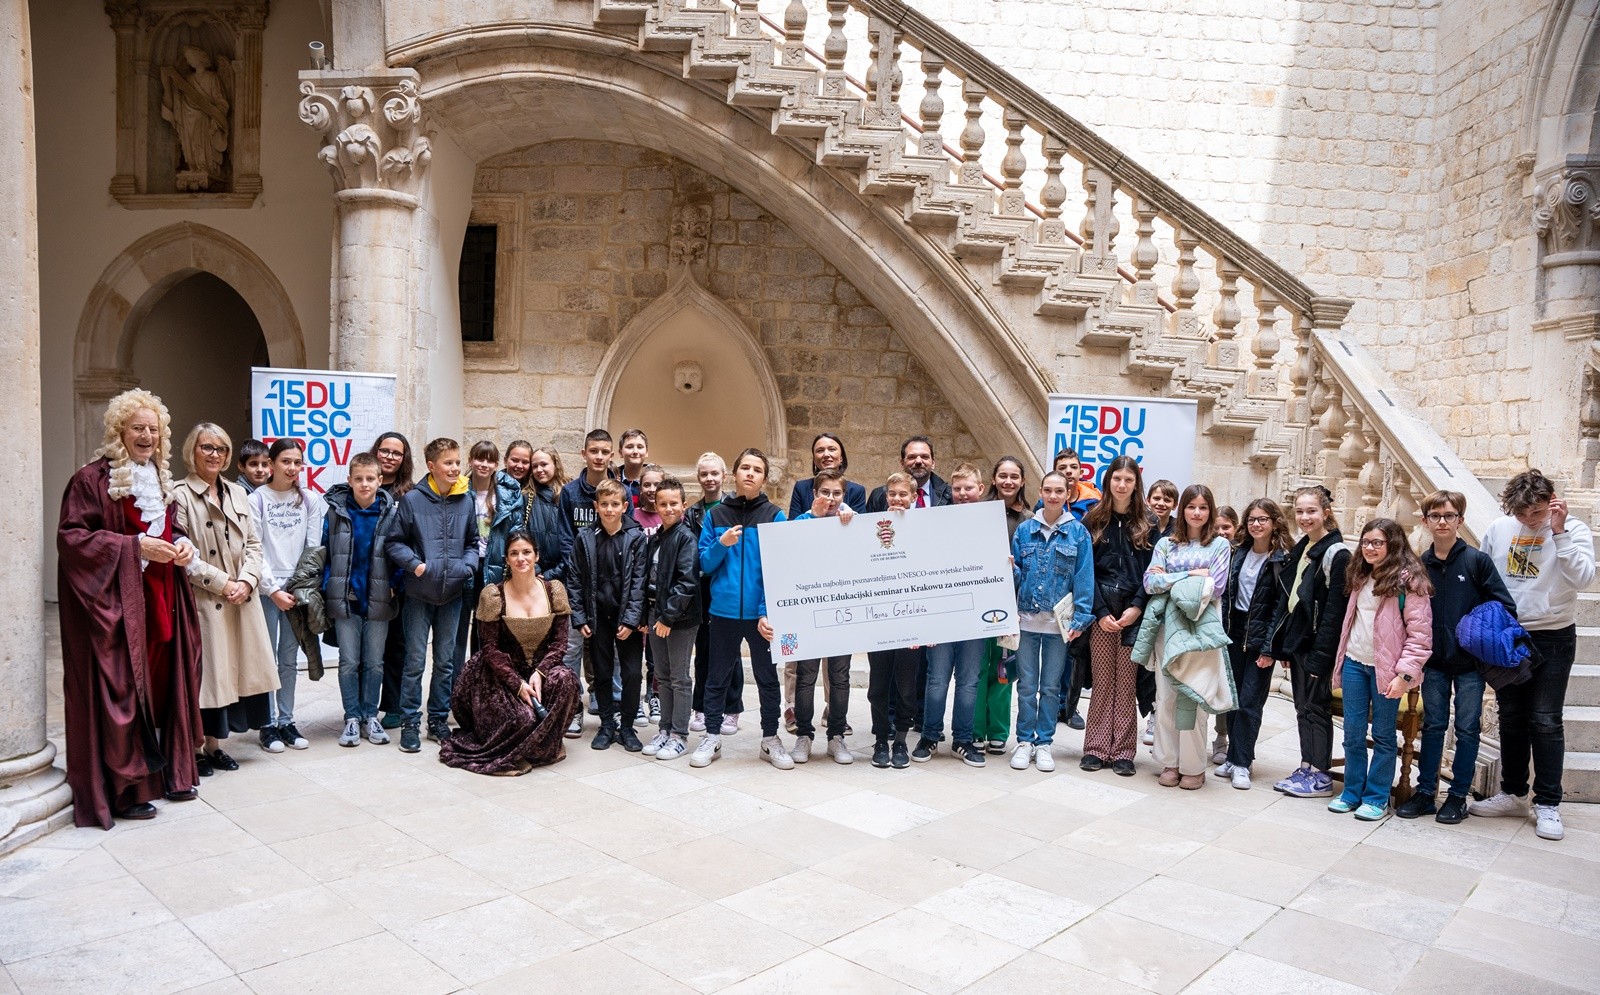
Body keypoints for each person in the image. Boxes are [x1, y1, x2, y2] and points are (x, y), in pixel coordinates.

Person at [57, 389, 203, 826]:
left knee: (161, 686)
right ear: (119, 430)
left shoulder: (158, 478)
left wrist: (180, 544)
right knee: (123, 688)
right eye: (138, 427)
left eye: (154, 430)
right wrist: (136, 548)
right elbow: (73, 540)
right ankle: (125, 788)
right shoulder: (91, 480)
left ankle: (169, 773)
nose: (146, 436)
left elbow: (168, 526)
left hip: (161, 599)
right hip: (117, 606)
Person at [1472, 470, 1596, 841]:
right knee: (1510, 716)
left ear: (1552, 501)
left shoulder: (1573, 530)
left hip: (1554, 635)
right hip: (1508, 635)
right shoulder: (1498, 528)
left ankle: (1548, 803)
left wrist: (1557, 532)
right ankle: (1512, 792)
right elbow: (1484, 574)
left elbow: (1583, 578)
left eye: (1537, 512)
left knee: (1545, 719)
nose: (1529, 520)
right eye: (1522, 513)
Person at [1397, 490, 1515, 823]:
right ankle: (1425, 793)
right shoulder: (1421, 564)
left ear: (1460, 520)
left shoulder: (1476, 561)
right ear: (1425, 521)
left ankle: (1458, 796)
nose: (1443, 522)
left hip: (1469, 666)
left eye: (1449, 516)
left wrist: (1474, 630)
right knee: (1433, 727)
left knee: (1465, 729)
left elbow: (1504, 606)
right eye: (1435, 516)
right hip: (1433, 663)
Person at [173, 423, 277, 777]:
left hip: (241, 600)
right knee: (209, 676)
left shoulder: (238, 493)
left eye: (220, 449)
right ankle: (197, 748)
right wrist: (223, 584)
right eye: (206, 447)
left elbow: (254, 544)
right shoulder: (179, 494)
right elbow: (181, 553)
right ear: (192, 452)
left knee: (234, 675)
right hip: (207, 600)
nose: (214, 454)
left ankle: (217, 746)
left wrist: (247, 581)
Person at [439, 532, 582, 774]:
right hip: (498, 672)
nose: (521, 559)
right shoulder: (493, 594)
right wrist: (517, 683)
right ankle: (514, 751)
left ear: (537, 556)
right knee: (523, 719)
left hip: (539, 667)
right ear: (506, 559)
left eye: (526, 552)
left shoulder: (554, 590)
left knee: (567, 680)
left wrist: (540, 672)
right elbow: (490, 649)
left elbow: (559, 643)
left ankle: (540, 749)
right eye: (514, 553)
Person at [1328, 518, 1433, 821]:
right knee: (1352, 733)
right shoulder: (1360, 574)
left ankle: (1376, 797)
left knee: (1385, 736)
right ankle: (1352, 792)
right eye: (1365, 542)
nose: (1370, 548)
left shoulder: (1409, 581)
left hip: (1388, 672)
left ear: (1393, 545)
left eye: (1377, 542)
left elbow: (1421, 637)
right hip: (1354, 664)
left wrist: (1404, 676)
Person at [693, 448, 788, 768]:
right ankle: (712, 736)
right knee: (716, 677)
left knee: (766, 678)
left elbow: (779, 571)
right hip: (723, 612)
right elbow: (704, 564)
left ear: (763, 478)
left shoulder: (775, 516)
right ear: (734, 474)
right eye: (744, 467)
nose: (750, 473)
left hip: (760, 617)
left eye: (757, 469)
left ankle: (770, 737)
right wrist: (722, 545)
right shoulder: (715, 515)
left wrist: (765, 611)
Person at [388, 437, 479, 752]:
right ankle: (410, 722)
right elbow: (394, 542)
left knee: (445, 662)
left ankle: (438, 720)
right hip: (419, 594)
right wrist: (415, 566)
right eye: (448, 463)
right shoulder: (413, 500)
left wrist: (466, 567)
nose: (455, 468)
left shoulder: (466, 500)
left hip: (453, 593)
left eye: (457, 462)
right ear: (431, 466)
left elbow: (472, 542)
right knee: (414, 661)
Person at [1139, 484, 1232, 789]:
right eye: (1191, 507)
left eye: (1203, 507)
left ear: (1210, 511)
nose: (1196, 513)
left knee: (1195, 695)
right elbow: (1151, 582)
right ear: (1183, 510)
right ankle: (1169, 762)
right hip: (1168, 629)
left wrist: (1172, 582)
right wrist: (1191, 576)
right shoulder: (1166, 544)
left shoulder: (1220, 546)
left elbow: (1216, 586)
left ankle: (1193, 766)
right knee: (1166, 697)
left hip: (1201, 631)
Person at [1265, 486, 1350, 799]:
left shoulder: (1337, 554)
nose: (1305, 517)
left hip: (1317, 648)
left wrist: (1321, 657)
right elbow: (1293, 602)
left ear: (1325, 512)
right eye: (1300, 512)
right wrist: (1287, 646)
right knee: (1303, 708)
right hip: (1300, 643)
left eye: (1311, 511)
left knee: (1316, 709)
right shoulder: (1303, 549)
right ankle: (1307, 765)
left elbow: (1333, 615)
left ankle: (1321, 775)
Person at [1009, 471, 1094, 772]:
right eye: (1048, 490)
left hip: (1059, 626)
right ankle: (1023, 741)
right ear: (1041, 492)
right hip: (1027, 621)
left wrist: (1081, 618)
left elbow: (1084, 578)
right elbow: (1017, 576)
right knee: (1026, 685)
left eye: (1060, 491)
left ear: (1068, 495)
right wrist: (1008, 568)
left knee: (1050, 687)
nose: (1054, 496)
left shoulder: (1078, 533)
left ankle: (1044, 742)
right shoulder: (1024, 531)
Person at [248, 438, 326, 752]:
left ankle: (287, 721)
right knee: (267, 658)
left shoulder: (310, 500)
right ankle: (267, 724)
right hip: (267, 591)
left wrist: (296, 588)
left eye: (297, 462)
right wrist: (273, 589)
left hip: (296, 590)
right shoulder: (257, 499)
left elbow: (313, 548)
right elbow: (253, 548)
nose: (292, 468)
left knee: (289, 660)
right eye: (286, 462)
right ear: (272, 464)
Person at [1078, 456, 1153, 778]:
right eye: (1117, 479)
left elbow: (1154, 571)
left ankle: (1123, 751)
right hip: (1102, 614)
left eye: (1128, 480)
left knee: (1126, 684)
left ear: (1136, 484)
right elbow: (1085, 573)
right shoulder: (1093, 519)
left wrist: (1137, 606)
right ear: (1108, 481)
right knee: (1103, 683)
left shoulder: (1148, 523)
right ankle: (1095, 748)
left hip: (1133, 614)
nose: (1122, 485)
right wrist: (1100, 611)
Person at [322, 452, 400, 747]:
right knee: (349, 661)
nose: (364, 484)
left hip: (379, 597)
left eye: (370, 479)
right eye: (359, 479)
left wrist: (394, 585)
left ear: (380, 481)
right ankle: (352, 717)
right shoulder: (336, 511)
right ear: (349, 480)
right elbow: (326, 552)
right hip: (347, 598)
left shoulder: (392, 512)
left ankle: (371, 716)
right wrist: (330, 585)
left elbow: (401, 552)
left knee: (375, 662)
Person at [915, 462, 989, 767]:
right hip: (941, 616)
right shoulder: (936, 521)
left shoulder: (991, 524)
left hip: (976, 617)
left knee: (969, 681)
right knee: (937, 679)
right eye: (957, 489)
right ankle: (929, 735)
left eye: (968, 488)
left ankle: (963, 740)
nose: (962, 494)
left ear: (980, 490)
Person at [1215, 498, 1292, 790]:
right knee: (1232, 700)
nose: (1256, 524)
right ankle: (1233, 757)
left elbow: (1281, 607)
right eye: (1252, 519)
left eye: (1262, 519)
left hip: (1261, 639)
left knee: (1250, 703)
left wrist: (1270, 647)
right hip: (1234, 634)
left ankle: (1243, 763)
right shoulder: (1238, 553)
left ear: (1274, 523)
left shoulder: (1282, 559)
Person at [571, 479, 649, 751]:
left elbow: (640, 581)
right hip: (597, 619)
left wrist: (631, 619)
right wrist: (579, 617)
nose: (609, 509)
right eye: (603, 504)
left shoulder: (636, 537)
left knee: (631, 674)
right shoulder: (585, 538)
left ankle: (626, 726)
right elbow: (575, 579)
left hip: (625, 620)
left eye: (615, 504)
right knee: (602, 673)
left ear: (625, 506)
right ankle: (606, 724)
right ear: (595, 506)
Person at [789, 468, 856, 765]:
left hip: (842, 610)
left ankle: (836, 736)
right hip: (808, 610)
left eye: (836, 493)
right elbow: (789, 548)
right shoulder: (802, 521)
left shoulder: (851, 521)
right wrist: (814, 520)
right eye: (825, 492)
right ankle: (804, 734)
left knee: (840, 676)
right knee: (806, 676)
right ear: (815, 494)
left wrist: (850, 524)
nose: (830, 498)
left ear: (844, 496)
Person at [867, 473, 927, 769]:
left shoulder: (925, 528)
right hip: (878, 621)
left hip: (911, 622)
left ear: (914, 497)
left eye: (903, 494)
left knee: (906, 687)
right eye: (892, 494)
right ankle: (880, 739)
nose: (897, 499)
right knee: (877, 687)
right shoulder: (870, 529)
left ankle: (901, 739)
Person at [643, 476, 701, 761]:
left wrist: (667, 618)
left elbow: (686, 583)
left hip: (678, 619)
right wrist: (648, 615)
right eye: (662, 503)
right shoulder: (655, 538)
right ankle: (664, 729)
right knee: (661, 677)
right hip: (656, 616)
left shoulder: (686, 538)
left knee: (679, 677)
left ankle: (679, 735)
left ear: (684, 506)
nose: (667, 508)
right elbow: (647, 580)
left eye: (673, 504)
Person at [685, 452, 743, 737]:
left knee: (731, 651)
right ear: (698, 478)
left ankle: (731, 709)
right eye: (704, 474)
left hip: (728, 584)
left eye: (714, 473)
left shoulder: (734, 508)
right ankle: (702, 706)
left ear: (724, 476)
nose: (709, 479)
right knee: (704, 650)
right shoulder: (692, 513)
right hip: (702, 589)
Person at [560, 429, 616, 716]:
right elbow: (566, 540)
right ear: (584, 453)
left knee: (605, 645)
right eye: (594, 451)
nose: (599, 456)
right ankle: (572, 701)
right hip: (579, 581)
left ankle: (600, 695)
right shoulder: (570, 493)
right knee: (573, 645)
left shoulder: (618, 492)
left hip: (610, 583)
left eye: (604, 451)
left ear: (611, 455)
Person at [975, 456, 1029, 754]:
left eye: (1014, 476)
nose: (1008, 481)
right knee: (977, 670)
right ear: (994, 479)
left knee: (1002, 669)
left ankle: (998, 730)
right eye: (1003, 475)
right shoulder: (978, 513)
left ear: (1022, 481)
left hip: (1011, 605)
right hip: (978, 602)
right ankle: (975, 730)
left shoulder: (1029, 519)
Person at [371, 431, 415, 729]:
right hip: (365, 580)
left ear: (404, 460)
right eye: (384, 451)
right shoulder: (364, 486)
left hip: (398, 581)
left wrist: (397, 580)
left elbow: (411, 540)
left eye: (396, 453)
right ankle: (363, 706)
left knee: (397, 645)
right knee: (366, 649)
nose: (389, 457)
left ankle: (394, 705)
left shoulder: (409, 494)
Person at [1137, 478, 1180, 744]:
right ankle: (1150, 710)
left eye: (1167, 499)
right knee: (1145, 666)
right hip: (1144, 602)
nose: (1161, 503)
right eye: (1156, 498)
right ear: (1148, 500)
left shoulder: (1179, 532)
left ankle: (1160, 714)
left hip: (1169, 606)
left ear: (1174, 504)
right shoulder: (1143, 528)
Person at [787, 432, 868, 518]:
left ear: (841, 458)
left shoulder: (856, 491)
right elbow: (793, 525)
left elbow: (859, 526)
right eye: (820, 450)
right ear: (814, 459)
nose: (826, 454)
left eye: (832, 449)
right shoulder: (801, 487)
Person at [865, 436, 952, 511]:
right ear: (902, 463)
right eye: (912, 457)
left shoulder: (949, 495)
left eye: (924, 457)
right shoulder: (879, 495)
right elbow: (868, 527)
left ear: (933, 463)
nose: (918, 461)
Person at [616, 428, 650, 507]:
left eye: (640, 447)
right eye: (629, 447)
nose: (635, 451)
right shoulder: (612, 478)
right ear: (620, 452)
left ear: (646, 452)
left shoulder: (654, 482)